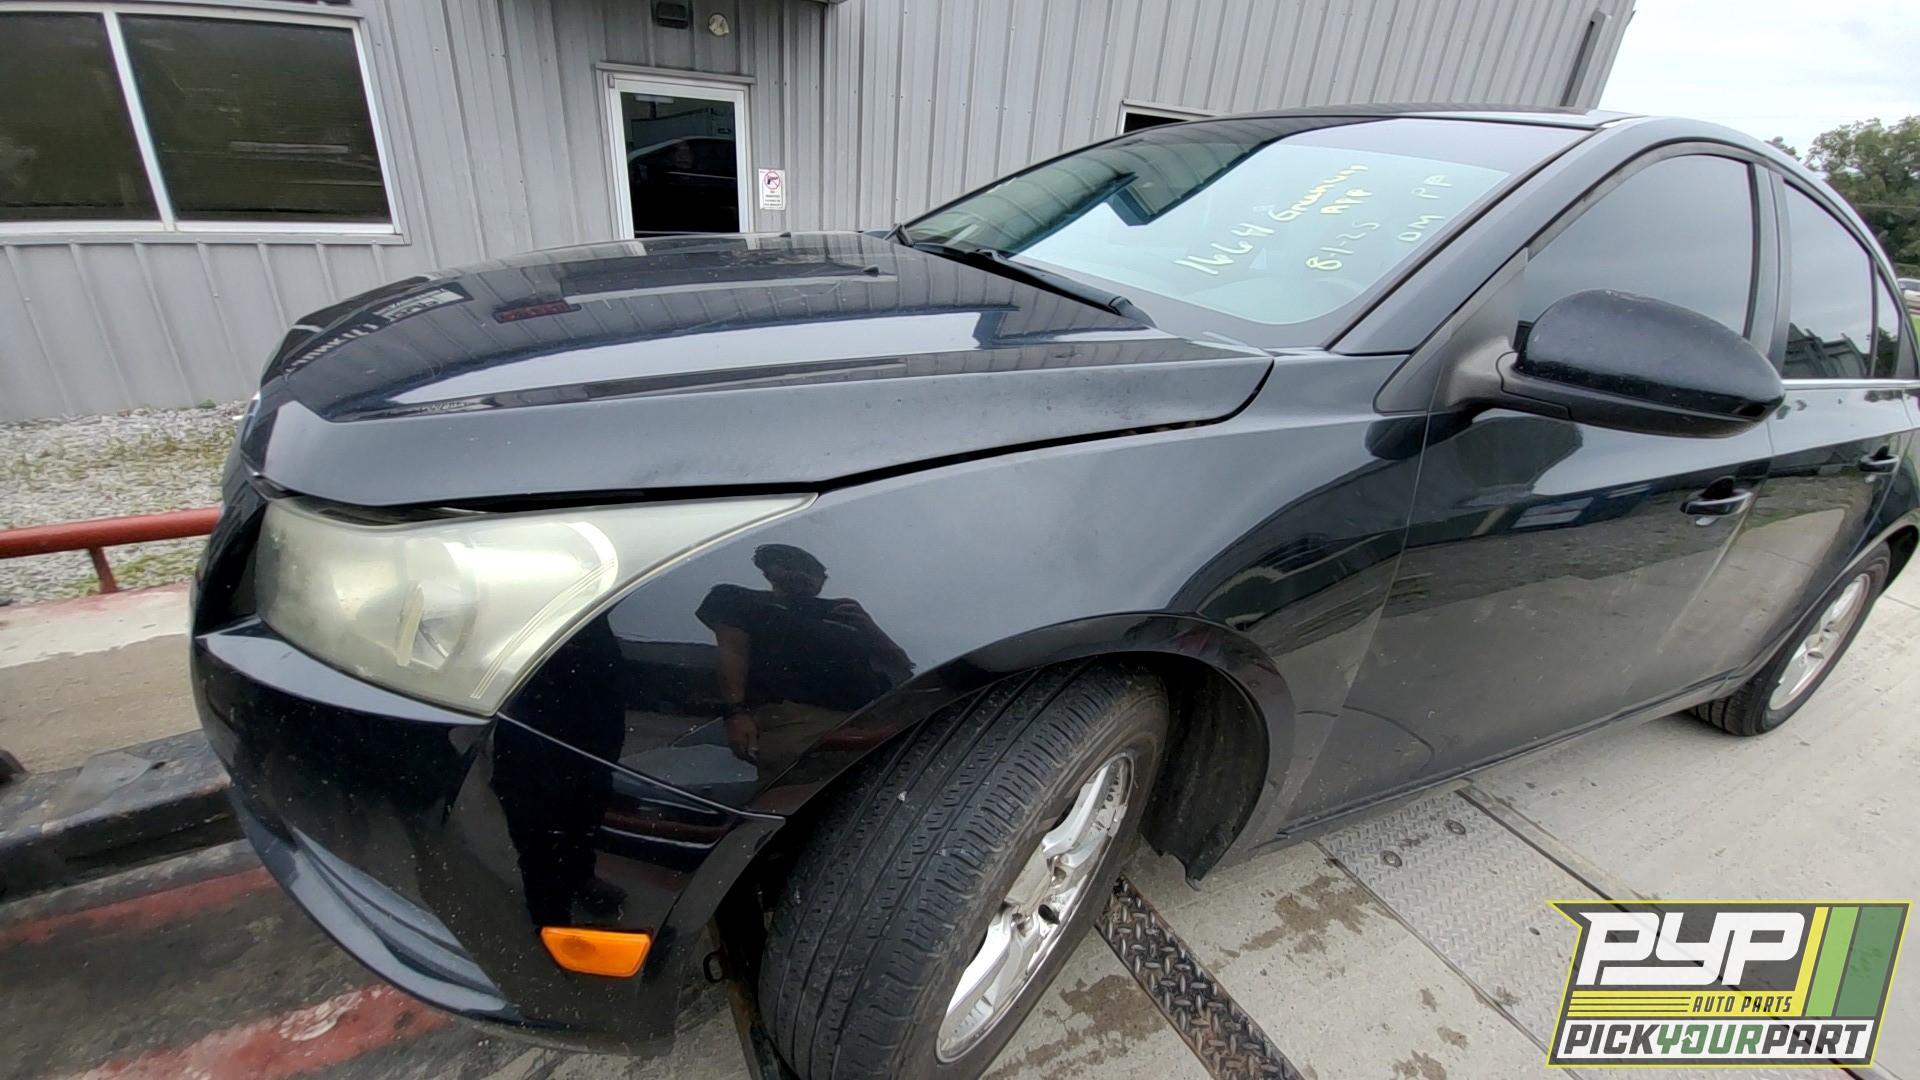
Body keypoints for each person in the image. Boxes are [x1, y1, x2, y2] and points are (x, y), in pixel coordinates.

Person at [696, 544, 912, 766]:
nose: (801, 574)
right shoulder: (742, 600)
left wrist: (872, 630)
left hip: (882, 720)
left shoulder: (846, 613)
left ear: (823, 580)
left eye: (812, 571)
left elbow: (904, 667)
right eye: (789, 565)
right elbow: (732, 653)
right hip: (798, 724)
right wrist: (736, 712)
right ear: (768, 570)